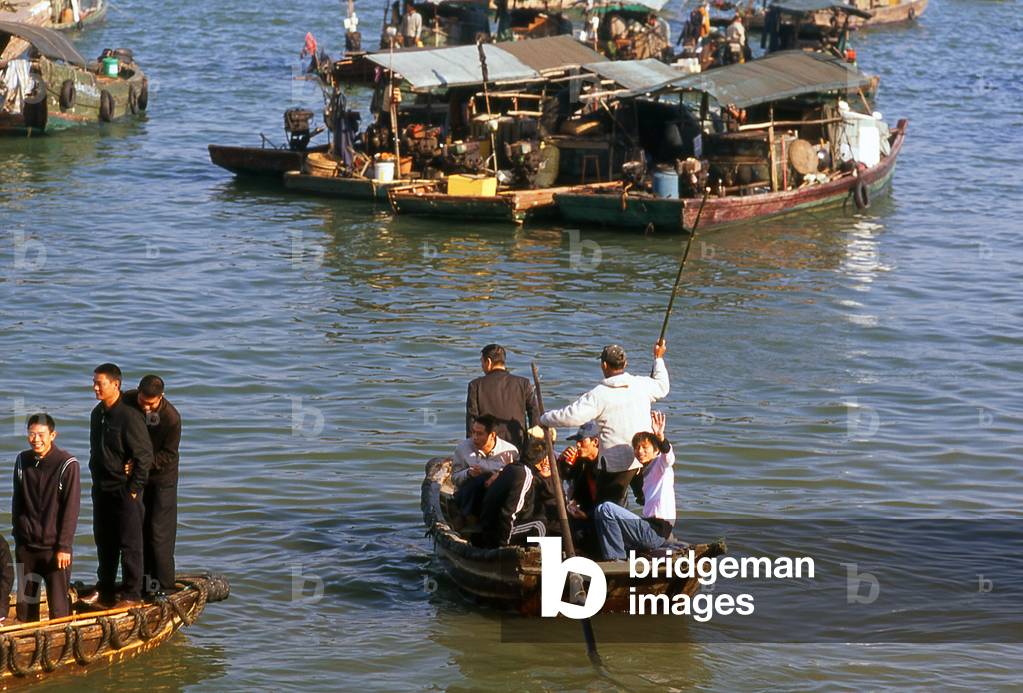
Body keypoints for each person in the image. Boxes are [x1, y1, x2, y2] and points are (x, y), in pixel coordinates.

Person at [539, 340, 669, 506]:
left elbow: (572, 416)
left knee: (607, 509)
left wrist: (544, 418)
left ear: (604, 365)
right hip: (642, 457)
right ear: (625, 364)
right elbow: (663, 386)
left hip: (615, 464)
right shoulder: (641, 384)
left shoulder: (599, 395)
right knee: (647, 501)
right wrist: (658, 359)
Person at [84, 363, 154, 608]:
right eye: (93, 383)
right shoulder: (97, 414)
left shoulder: (129, 416)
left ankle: (131, 594)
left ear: (116, 385)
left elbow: (144, 456)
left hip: (124, 490)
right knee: (104, 540)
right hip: (101, 488)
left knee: (130, 544)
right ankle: (104, 589)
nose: (94, 388)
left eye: (99, 383)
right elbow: (96, 448)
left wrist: (133, 488)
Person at [12, 413, 80, 622]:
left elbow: (71, 508)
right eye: (31, 434)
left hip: (55, 551)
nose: (36, 439)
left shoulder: (67, 464)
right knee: (26, 609)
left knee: (59, 609)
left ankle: (61, 648)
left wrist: (64, 547)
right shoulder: (23, 460)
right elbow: (18, 501)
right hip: (27, 548)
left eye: (41, 434)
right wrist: (19, 535)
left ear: (53, 435)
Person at [124, 375, 181, 596]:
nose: (146, 407)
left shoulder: (170, 418)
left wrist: (143, 464)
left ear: (161, 397)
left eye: (151, 403)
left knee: (159, 535)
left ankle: (165, 588)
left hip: (162, 479)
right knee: (138, 531)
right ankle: (142, 585)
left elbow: (169, 454)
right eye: (143, 401)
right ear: (137, 391)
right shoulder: (129, 400)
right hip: (137, 477)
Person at [592, 411, 675, 560]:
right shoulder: (644, 472)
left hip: (656, 531)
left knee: (607, 509)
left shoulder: (660, 465)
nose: (640, 451)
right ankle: (613, 556)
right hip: (648, 526)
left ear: (655, 450)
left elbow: (669, 457)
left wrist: (661, 438)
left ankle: (616, 559)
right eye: (636, 448)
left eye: (644, 447)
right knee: (599, 510)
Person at [474, 430, 557, 549]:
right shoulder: (525, 474)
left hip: (490, 526)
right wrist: (503, 546)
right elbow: (508, 514)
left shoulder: (512, 467)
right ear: (541, 462)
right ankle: (543, 562)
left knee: (539, 516)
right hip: (496, 533)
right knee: (540, 524)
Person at [466, 344, 541, 452]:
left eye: (482, 362)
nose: (482, 366)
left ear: (489, 362)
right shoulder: (523, 383)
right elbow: (534, 414)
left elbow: (472, 420)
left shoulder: (475, 385)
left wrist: (470, 451)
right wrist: (534, 444)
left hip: (488, 447)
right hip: (517, 446)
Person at [451, 414, 518, 518]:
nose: (474, 437)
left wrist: (506, 471)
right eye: (473, 432)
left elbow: (517, 481)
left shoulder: (510, 451)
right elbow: (454, 478)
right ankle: (466, 518)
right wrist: (469, 473)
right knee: (478, 481)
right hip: (469, 495)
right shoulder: (463, 448)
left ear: (492, 435)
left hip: (496, 496)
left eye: (479, 434)